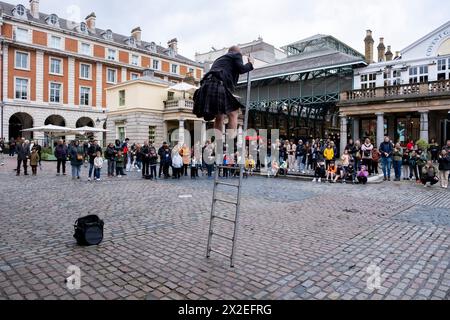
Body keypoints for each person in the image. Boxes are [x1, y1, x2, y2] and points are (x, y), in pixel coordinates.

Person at [193, 46, 254, 140]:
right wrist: (250, 63)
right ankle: (230, 143)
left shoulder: (220, 59)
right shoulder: (236, 55)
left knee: (219, 115)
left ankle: (218, 144)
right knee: (234, 113)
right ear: (238, 52)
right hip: (218, 84)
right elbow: (242, 69)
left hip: (206, 86)